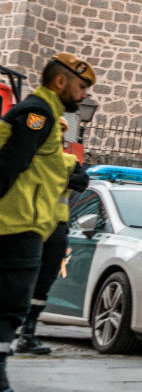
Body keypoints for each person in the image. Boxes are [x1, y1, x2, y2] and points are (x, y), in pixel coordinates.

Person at [0, 52, 95, 392]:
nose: (84, 94)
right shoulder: (37, 115)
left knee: (10, 307)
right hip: (16, 224)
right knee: (7, 309)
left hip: (26, 223)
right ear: (61, 82)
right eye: (82, 85)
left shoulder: (47, 116)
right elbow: (9, 165)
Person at [15, 117, 89, 355]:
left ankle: (28, 332)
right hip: (25, 225)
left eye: (58, 132)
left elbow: (81, 182)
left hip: (56, 227)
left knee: (44, 281)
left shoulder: (68, 161)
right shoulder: (25, 157)